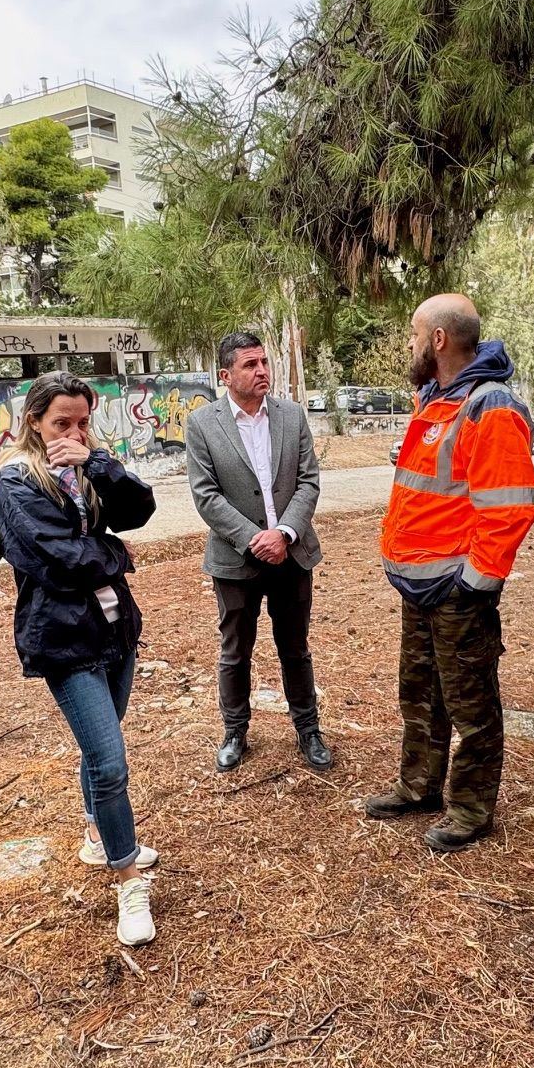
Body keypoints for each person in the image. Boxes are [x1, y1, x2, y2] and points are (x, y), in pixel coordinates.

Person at [360, 294, 534, 853]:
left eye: (414, 334)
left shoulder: (491, 407)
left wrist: (475, 583)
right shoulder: (434, 398)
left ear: (438, 340)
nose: (410, 344)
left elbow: (510, 507)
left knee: (471, 705)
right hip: (419, 584)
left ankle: (470, 809)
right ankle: (419, 786)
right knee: (418, 693)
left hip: (458, 592)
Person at [0, 371, 163, 945]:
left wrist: (99, 463)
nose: (73, 432)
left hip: (114, 629)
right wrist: (116, 552)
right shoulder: (16, 480)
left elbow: (141, 509)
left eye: (83, 422)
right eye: (61, 423)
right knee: (111, 763)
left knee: (102, 746)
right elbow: (58, 559)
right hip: (64, 639)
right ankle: (127, 876)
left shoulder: (87, 468)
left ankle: (97, 834)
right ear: (34, 422)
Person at [185, 330, 331, 773]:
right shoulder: (202, 423)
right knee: (234, 651)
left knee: (296, 648)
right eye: (250, 365)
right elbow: (205, 495)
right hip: (236, 561)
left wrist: (284, 533)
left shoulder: (291, 415)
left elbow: (309, 481)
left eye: (264, 362)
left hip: (292, 554)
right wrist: (254, 537)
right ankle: (235, 731)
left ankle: (308, 730)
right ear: (225, 375)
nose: (262, 370)